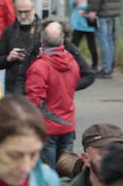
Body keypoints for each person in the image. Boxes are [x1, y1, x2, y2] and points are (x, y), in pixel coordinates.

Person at [26, 21, 83, 166]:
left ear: (42, 41)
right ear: (63, 39)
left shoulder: (40, 67)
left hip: (48, 128)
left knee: (47, 173)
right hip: (68, 125)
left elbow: (35, 100)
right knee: (66, 172)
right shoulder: (72, 63)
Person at [0, 0, 41, 96]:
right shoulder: (9, 31)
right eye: (19, 12)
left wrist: (43, 56)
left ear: (33, 9)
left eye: (26, 12)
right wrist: (8, 58)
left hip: (38, 85)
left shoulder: (44, 30)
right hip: (13, 87)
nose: (23, 16)